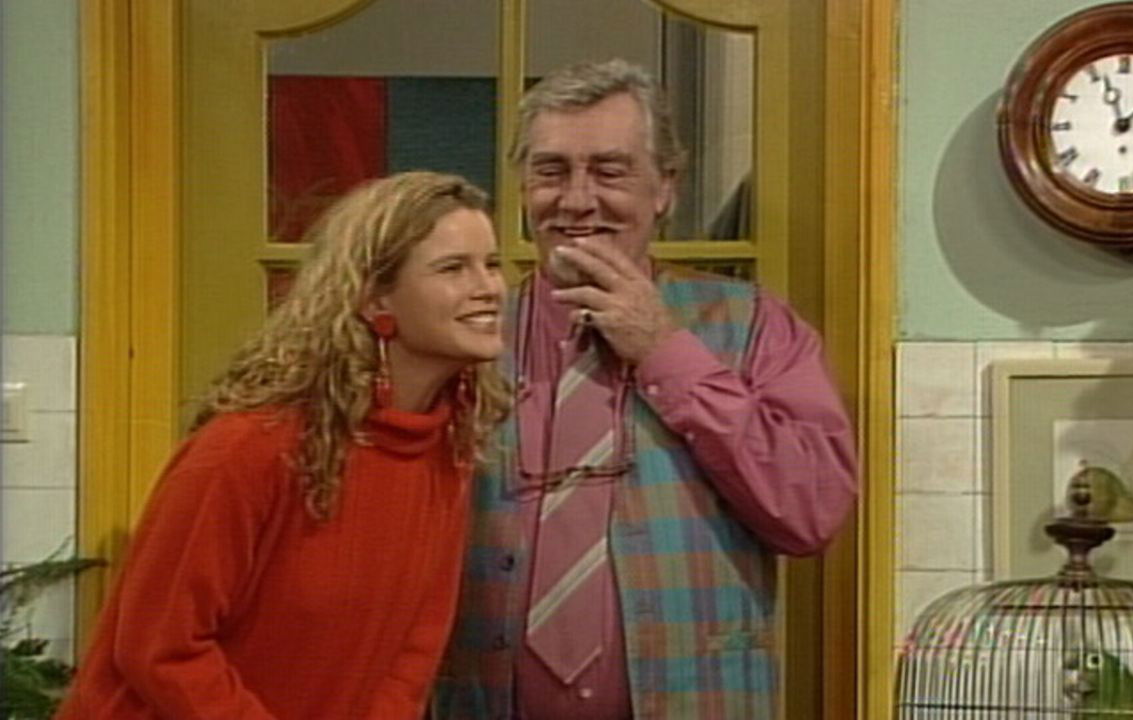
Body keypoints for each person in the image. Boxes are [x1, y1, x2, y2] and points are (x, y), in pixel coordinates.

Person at [432, 59, 858, 720]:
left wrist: (665, 350)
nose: (577, 200)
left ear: (665, 188)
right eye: (551, 172)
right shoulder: (463, 338)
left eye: (609, 171)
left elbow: (811, 513)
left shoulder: (752, 326)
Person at [56, 171, 508, 719]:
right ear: (374, 298)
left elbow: (412, 653)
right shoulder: (249, 446)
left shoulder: (445, 449)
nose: (489, 287)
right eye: (453, 268)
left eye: (492, 264)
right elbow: (162, 648)